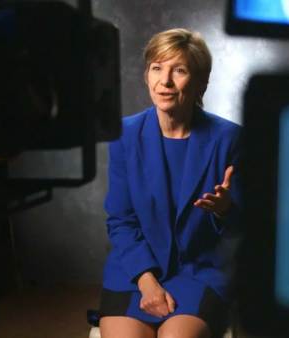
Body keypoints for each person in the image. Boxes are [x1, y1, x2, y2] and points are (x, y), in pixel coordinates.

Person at [98, 28, 241, 338]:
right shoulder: (124, 134)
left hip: (200, 271)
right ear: (147, 76)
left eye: (179, 70)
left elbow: (250, 225)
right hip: (134, 271)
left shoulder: (229, 138)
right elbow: (121, 221)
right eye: (156, 68)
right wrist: (146, 281)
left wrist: (226, 209)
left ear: (201, 81)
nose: (165, 81)